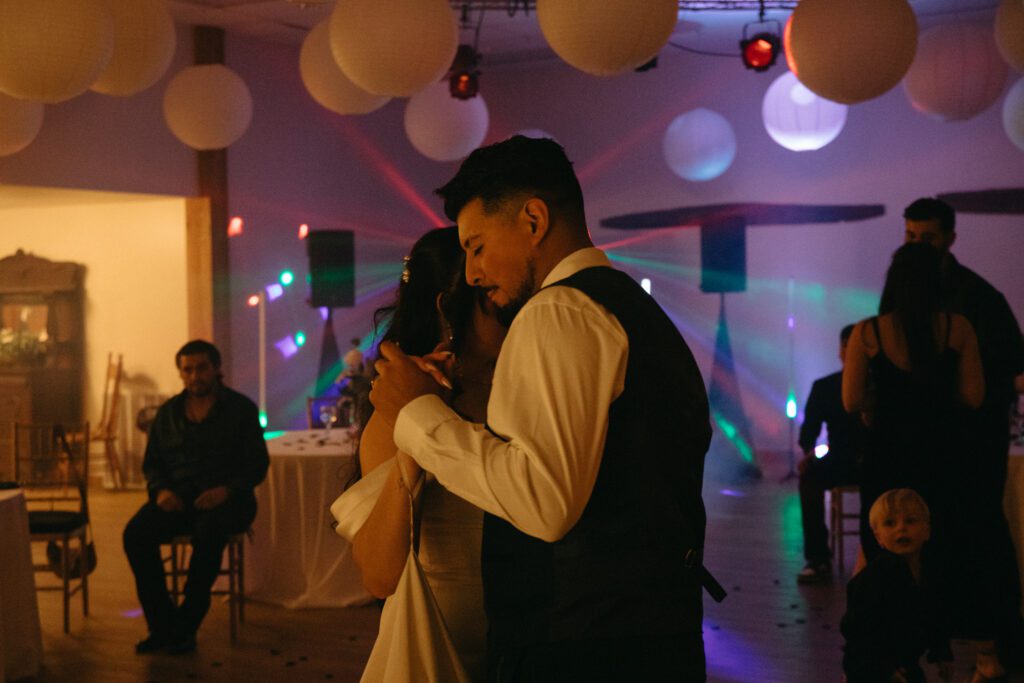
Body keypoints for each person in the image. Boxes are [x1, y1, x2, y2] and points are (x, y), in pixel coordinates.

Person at [370, 136, 715, 681]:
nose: (475, 272)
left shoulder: (557, 309)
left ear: (533, 220)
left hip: (583, 644)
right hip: (655, 631)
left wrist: (416, 414)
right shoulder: (632, 307)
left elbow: (544, 501)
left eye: (477, 246)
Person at [332, 226, 506, 680]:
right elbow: (380, 575)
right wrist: (416, 431)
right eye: (489, 295)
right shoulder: (396, 404)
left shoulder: (523, 387)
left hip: (528, 634)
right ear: (447, 307)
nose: (510, 307)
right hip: (437, 637)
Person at [904, 197, 1024, 676]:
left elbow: (1012, 369)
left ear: (950, 239)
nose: (916, 246)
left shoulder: (979, 297)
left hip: (973, 439)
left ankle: (994, 642)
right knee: (937, 535)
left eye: (925, 237)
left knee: (980, 535)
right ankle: (959, 640)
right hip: (936, 437)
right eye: (910, 237)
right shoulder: (914, 293)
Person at [123, 340, 268, 655]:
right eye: (187, 370)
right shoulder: (169, 412)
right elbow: (153, 464)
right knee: (135, 535)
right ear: (181, 373)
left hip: (229, 500)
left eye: (201, 368)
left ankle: (186, 624)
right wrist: (161, 491)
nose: (195, 376)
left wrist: (226, 491)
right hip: (178, 498)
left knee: (209, 533)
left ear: (216, 369)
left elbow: (257, 465)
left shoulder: (240, 409)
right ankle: (162, 624)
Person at [841, 488, 954, 683]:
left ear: (926, 530)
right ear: (878, 537)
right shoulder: (875, 578)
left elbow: (937, 614)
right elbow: (858, 631)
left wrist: (941, 652)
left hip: (905, 662)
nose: (901, 528)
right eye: (890, 523)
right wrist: (883, 667)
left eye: (910, 521)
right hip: (871, 666)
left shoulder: (930, 572)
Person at [795, 324, 864, 584]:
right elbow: (808, 432)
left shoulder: (828, 386)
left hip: (868, 459)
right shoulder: (825, 387)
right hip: (843, 459)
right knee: (809, 477)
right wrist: (810, 454)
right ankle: (818, 558)